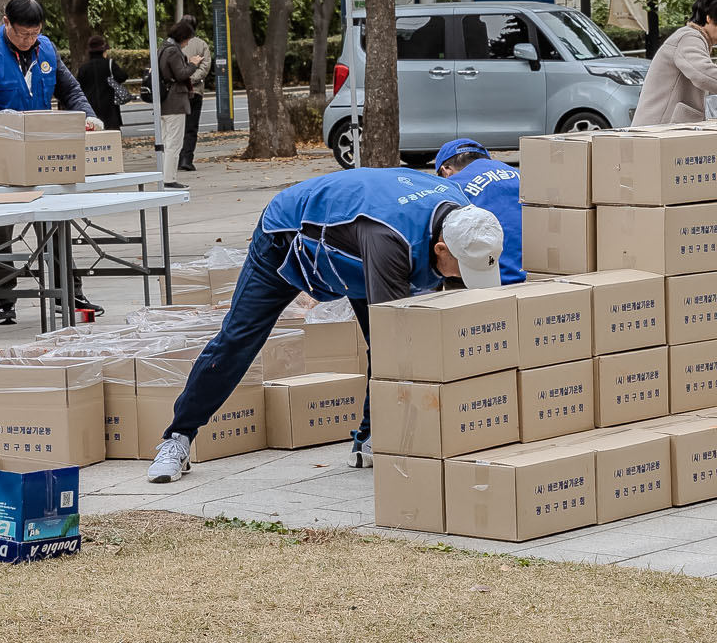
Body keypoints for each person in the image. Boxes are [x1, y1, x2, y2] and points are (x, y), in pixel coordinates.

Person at [147, 170, 505, 482]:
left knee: (393, 341)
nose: (464, 280)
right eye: (463, 270)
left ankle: (369, 438)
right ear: (441, 248)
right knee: (239, 338)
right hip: (288, 239)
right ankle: (177, 437)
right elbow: (395, 343)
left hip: (352, 244)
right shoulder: (391, 242)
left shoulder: (466, 215)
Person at [0, 0, 102, 325]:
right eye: (22, 34)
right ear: (6, 23)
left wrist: (87, 116)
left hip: (40, 149)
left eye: (34, 33)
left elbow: (70, 90)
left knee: (56, 224)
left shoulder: (45, 49)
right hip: (1, 153)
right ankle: (4, 300)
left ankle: (69, 291)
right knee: (0, 231)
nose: (28, 39)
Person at [434, 137, 525, 285]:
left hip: (491, 279)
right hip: (540, 275)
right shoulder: (517, 174)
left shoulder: (453, 187)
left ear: (446, 171)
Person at [158, 18, 197, 186]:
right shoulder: (173, 51)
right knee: (174, 142)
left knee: (166, 141)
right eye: (187, 39)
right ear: (182, 37)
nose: (187, 43)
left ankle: (166, 177)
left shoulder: (162, 48)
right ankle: (169, 179)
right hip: (175, 101)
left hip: (165, 101)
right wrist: (193, 64)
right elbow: (181, 74)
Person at [75, 33, 128, 133]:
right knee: (112, 138)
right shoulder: (110, 64)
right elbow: (123, 76)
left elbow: (79, 87)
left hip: (91, 109)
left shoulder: (84, 68)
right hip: (110, 108)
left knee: (95, 138)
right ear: (103, 51)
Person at [179, 20, 212, 171]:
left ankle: (176, 158)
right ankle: (187, 158)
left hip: (177, 92)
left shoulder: (174, 44)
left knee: (177, 127)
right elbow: (205, 67)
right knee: (191, 127)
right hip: (195, 90)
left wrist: (182, 78)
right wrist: (192, 78)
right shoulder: (201, 44)